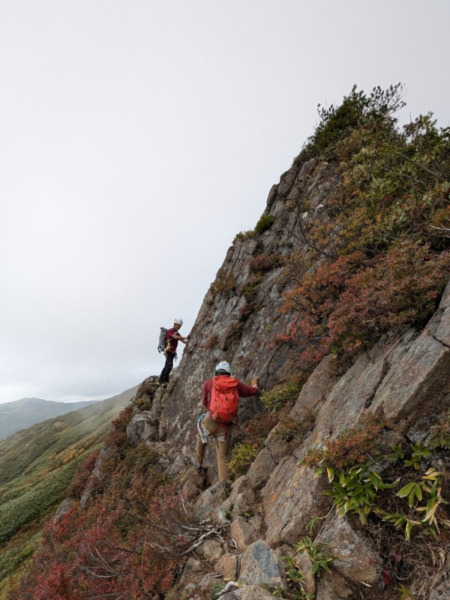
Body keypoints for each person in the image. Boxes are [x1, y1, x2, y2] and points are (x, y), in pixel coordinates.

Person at [193, 361, 259, 482]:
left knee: (200, 436)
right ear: (229, 373)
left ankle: (197, 463)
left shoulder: (209, 383)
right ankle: (224, 484)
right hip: (225, 428)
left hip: (210, 422)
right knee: (222, 457)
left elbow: (205, 402)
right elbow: (250, 392)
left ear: (216, 372)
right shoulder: (235, 384)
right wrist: (255, 387)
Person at [159, 318, 188, 387]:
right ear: (174, 324)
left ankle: (160, 380)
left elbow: (183, 340)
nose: (178, 327)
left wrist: (188, 340)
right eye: (177, 325)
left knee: (167, 365)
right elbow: (176, 337)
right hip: (168, 350)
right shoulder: (170, 331)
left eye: (179, 326)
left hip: (172, 352)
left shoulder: (177, 333)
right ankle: (164, 382)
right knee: (169, 366)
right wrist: (185, 337)